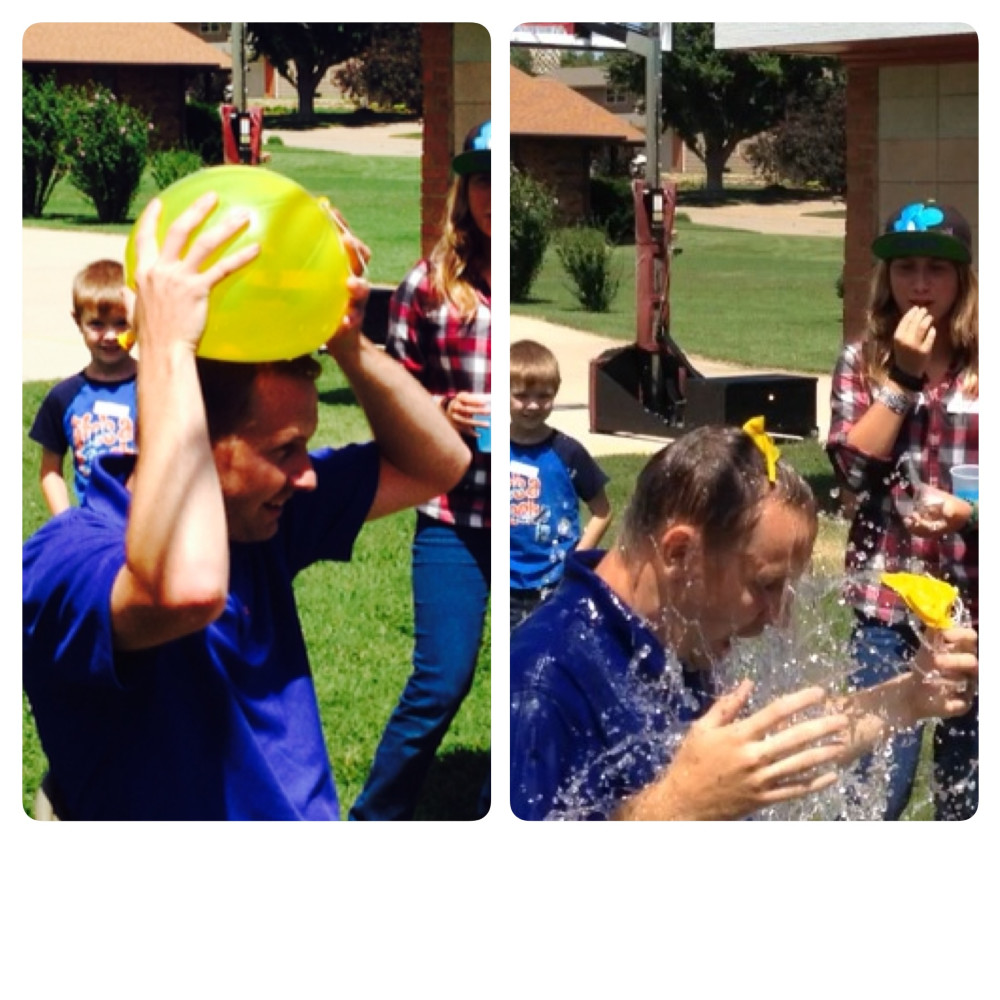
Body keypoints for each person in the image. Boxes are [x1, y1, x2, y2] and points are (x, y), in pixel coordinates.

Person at [22, 189, 471, 821]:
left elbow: (439, 464)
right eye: (287, 449)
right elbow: (185, 592)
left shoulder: (262, 521)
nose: (307, 476)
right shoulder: (63, 558)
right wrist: (169, 352)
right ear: (198, 433)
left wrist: (349, 345)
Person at [510, 423, 978, 821]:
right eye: (767, 585)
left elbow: (771, 751)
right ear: (680, 554)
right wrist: (677, 804)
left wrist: (910, 695)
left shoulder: (673, 635)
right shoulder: (543, 682)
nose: (778, 618)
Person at [350, 120, 492, 821]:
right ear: (463, 190)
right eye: (481, 178)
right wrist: (444, 409)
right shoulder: (425, 289)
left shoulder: (533, 283)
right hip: (455, 516)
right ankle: (374, 819)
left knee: (542, 680)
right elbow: (391, 402)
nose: (494, 193)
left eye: (505, 178)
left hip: (535, 521)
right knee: (442, 681)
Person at [827, 200, 978, 821]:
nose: (920, 284)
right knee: (875, 784)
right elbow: (853, 471)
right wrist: (905, 377)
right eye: (906, 268)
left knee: (968, 788)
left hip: (974, 605)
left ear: (963, 280)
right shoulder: (862, 362)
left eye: (937, 270)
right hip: (887, 603)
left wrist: (970, 511)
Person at [510, 338, 612, 630]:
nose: (533, 405)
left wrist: (575, 560)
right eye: (521, 395)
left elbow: (602, 512)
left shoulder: (568, 452)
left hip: (555, 584)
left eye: (544, 396)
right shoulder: (492, 448)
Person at [28, 259, 138, 516]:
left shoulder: (156, 385)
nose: (110, 336)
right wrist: (67, 522)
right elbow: (50, 471)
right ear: (78, 321)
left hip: (151, 526)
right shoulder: (64, 397)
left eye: (121, 323)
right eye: (97, 324)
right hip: (93, 529)